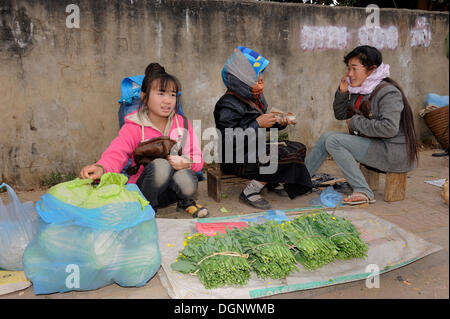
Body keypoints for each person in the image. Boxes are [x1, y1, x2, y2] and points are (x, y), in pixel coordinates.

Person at [79, 70, 208, 218]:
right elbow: (117, 153)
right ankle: (148, 209)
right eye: (161, 93)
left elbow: (197, 158)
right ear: (144, 97)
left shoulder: (182, 123)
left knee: (187, 176)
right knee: (161, 166)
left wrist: (186, 162)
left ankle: (185, 202)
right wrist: (101, 167)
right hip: (145, 190)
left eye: (172, 94)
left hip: (171, 193)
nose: (168, 100)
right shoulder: (134, 126)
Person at [305, 45, 418, 205]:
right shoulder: (362, 89)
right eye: (348, 68)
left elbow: (389, 128)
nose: (349, 74)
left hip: (393, 152)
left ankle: (363, 191)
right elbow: (341, 115)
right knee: (326, 137)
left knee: (334, 141)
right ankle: (301, 180)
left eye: (354, 68)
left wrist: (356, 122)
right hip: (377, 144)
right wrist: (342, 93)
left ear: (371, 69)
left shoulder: (388, 93)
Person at [214, 46, 312, 210]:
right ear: (241, 77)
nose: (260, 80)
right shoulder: (226, 104)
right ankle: (250, 191)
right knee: (278, 155)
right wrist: (257, 123)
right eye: (255, 75)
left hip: (253, 149)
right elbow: (230, 140)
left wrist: (278, 122)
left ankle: (272, 181)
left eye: (260, 75)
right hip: (234, 158)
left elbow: (261, 126)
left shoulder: (255, 98)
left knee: (298, 148)